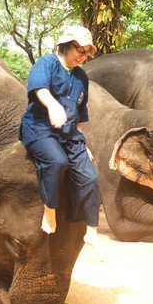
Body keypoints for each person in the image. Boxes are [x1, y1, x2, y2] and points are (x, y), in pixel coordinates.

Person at [19, 25, 105, 255]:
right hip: (40, 128)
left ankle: (92, 232)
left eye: (86, 52)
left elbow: (79, 113)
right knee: (57, 162)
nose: (82, 56)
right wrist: (53, 106)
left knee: (90, 175)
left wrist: (82, 143)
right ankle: (50, 209)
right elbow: (39, 89)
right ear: (66, 45)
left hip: (69, 133)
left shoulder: (80, 76)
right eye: (80, 49)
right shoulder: (47, 63)